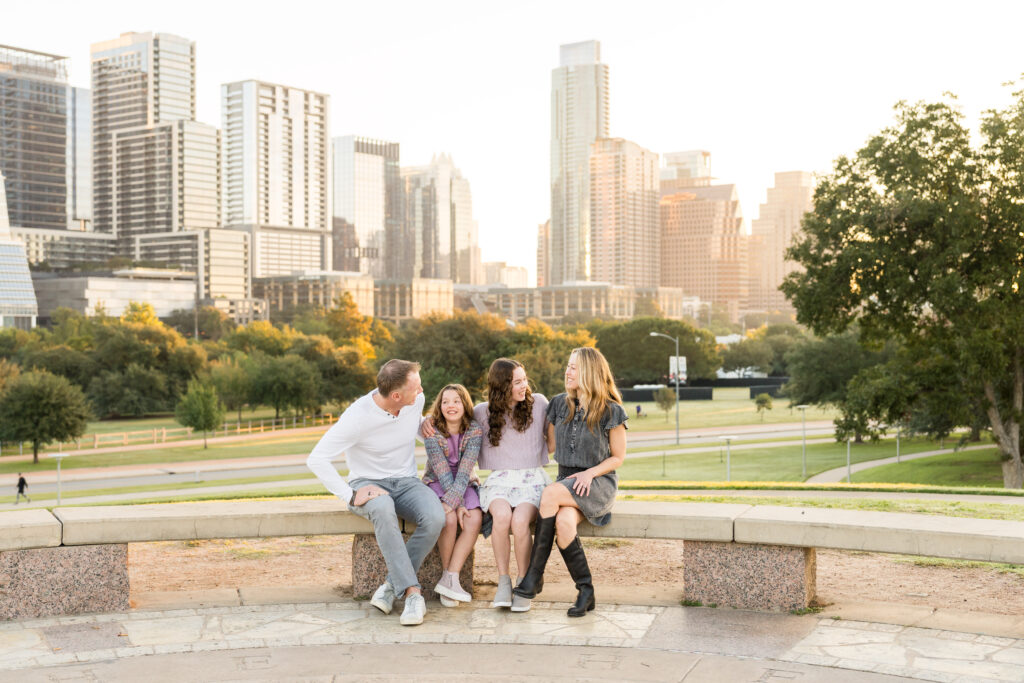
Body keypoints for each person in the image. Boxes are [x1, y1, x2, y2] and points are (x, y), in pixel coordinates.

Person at [306, 359, 445, 626]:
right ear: (396, 395)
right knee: (383, 508)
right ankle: (413, 594)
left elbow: (405, 427)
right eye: (416, 387)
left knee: (436, 517)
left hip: (406, 481)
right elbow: (317, 458)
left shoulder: (414, 401)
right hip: (367, 483)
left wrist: (423, 426)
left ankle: (391, 586)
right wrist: (349, 495)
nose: (422, 390)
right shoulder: (357, 417)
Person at [512, 347, 628, 617]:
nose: (567, 371)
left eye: (574, 367)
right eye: (567, 366)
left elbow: (618, 458)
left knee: (550, 494)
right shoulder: (558, 404)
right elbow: (548, 445)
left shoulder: (612, 411)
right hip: (567, 481)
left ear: (589, 372)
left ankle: (533, 577)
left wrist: (589, 473)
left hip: (597, 481)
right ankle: (586, 591)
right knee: (563, 524)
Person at [474, 358, 550, 612]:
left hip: (531, 480)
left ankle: (524, 581)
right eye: (517, 382)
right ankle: (503, 580)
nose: (524, 386)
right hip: (500, 481)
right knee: (502, 517)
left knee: (520, 523)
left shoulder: (539, 404)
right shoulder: (482, 412)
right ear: (502, 386)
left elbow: (552, 441)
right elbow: (451, 426)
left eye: (524, 380)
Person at [422, 384, 484, 607]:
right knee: (447, 519)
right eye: (445, 401)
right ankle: (448, 580)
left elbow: (466, 470)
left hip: (464, 482)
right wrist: (455, 505)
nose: (451, 406)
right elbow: (441, 471)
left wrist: (457, 502)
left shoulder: (474, 430)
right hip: (438, 482)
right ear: (439, 406)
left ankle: (451, 577)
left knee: (474, 518)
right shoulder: (431, 431)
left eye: (456, 401)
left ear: (464, 404)